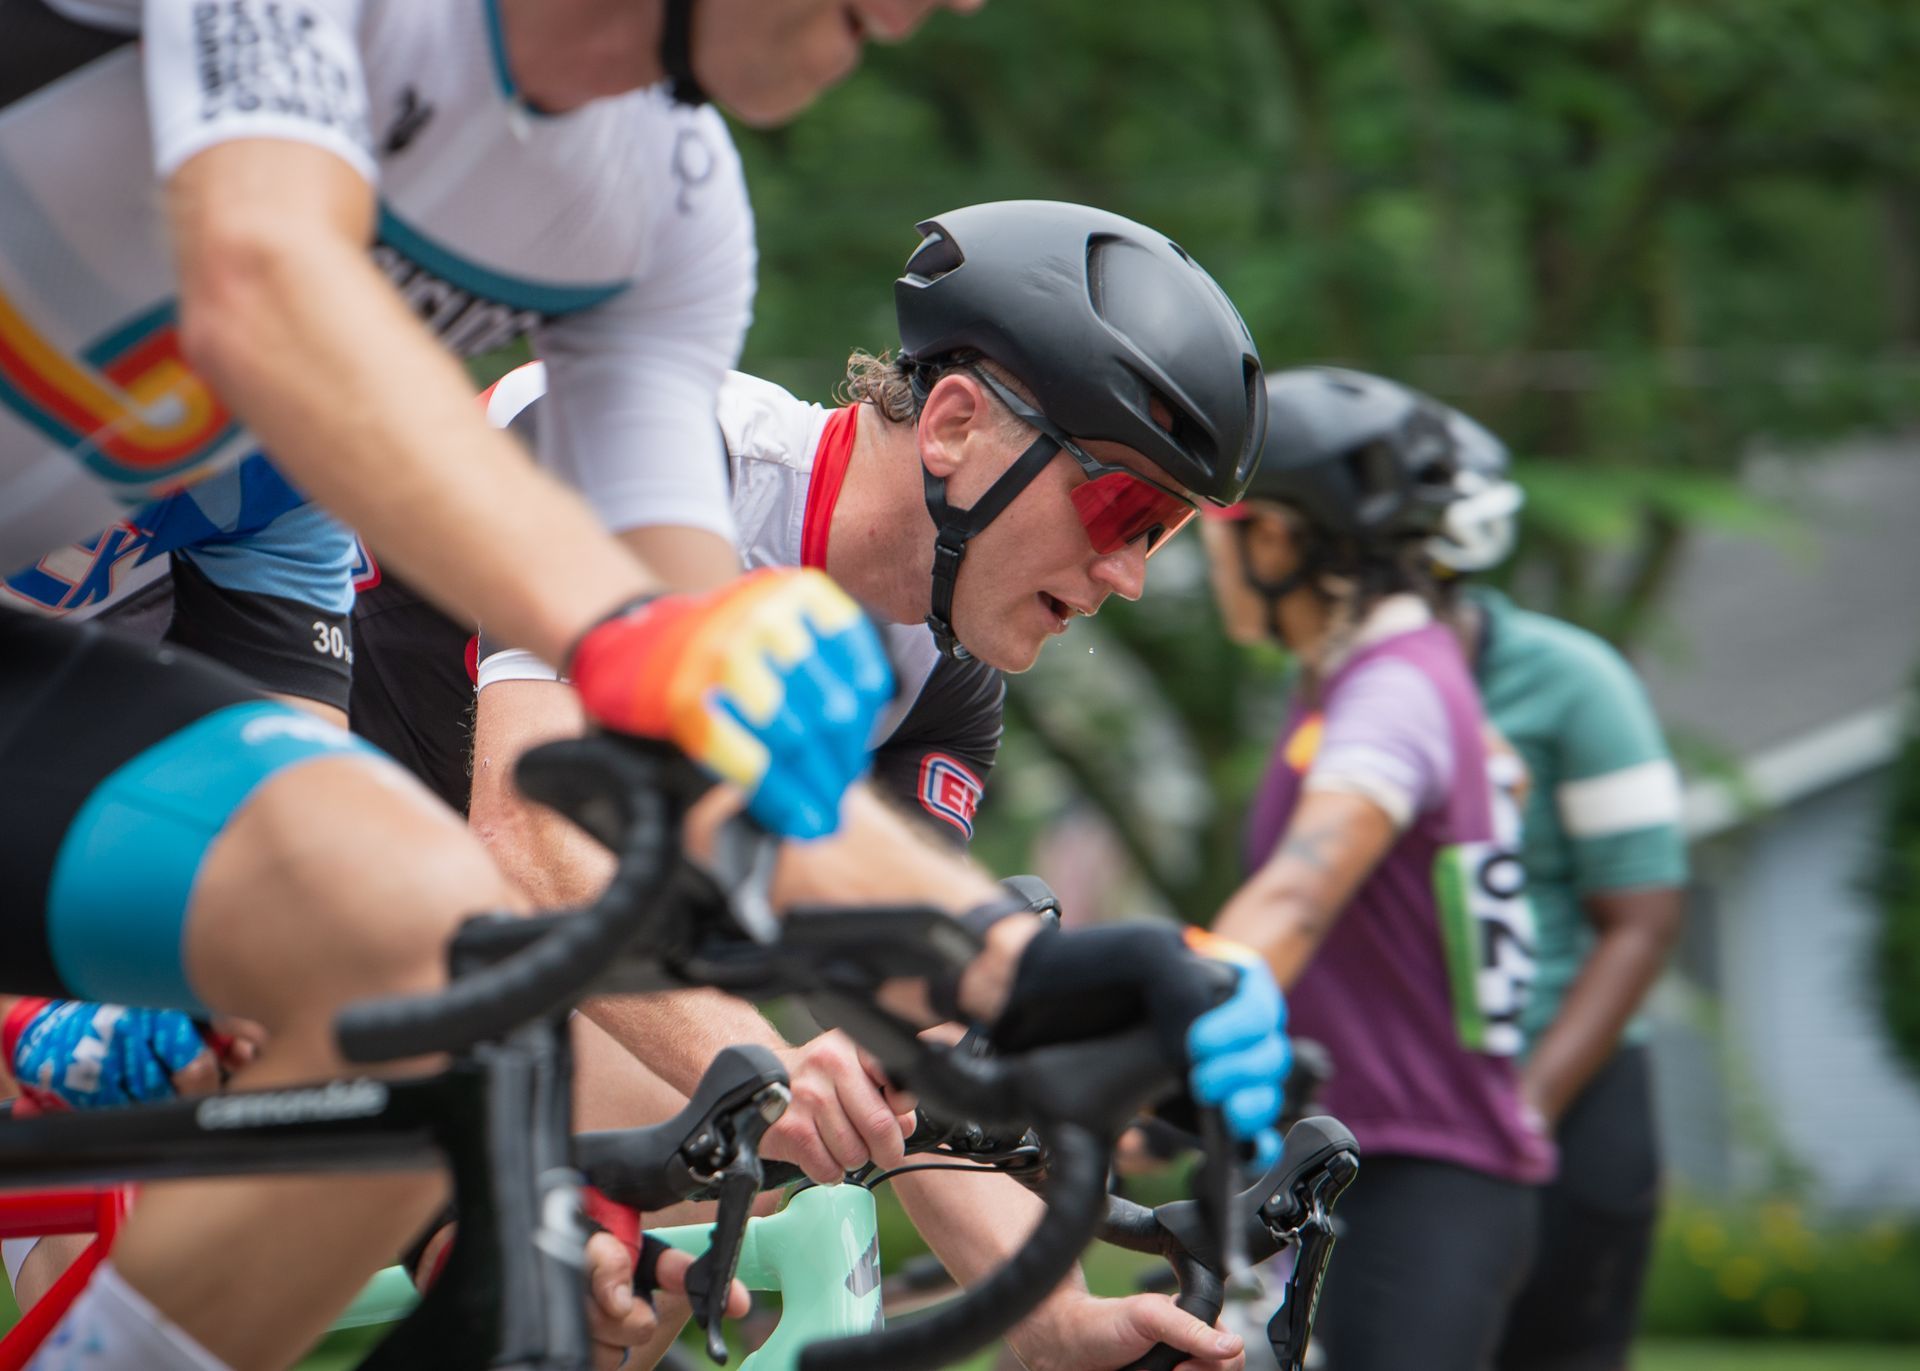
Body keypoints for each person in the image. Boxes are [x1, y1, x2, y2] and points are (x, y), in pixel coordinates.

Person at [0, 5, 1289, 1363]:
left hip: (191, 619)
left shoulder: (677, 210)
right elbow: (260, 277)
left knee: (440, 970)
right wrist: (626, 632)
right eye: (1124, 516)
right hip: (221, 661)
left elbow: (691, 721)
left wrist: (1031, 973)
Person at [349, 199, 1278, 1371]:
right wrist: (760, 1066)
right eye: (1121, 508)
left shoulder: (940, 675)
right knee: (697, 1116)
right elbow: (527, 838)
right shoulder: (666, 456)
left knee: (685, 1196)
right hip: (223, 926)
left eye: (1169, 533)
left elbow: (904, 1025)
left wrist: (1049, 1316)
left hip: (468, 985)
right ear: (953, 424)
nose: (1132, 575)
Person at [1200, 367, 1554, 1371]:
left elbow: (1300, 893)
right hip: (1361, 1158)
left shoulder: (1389, 691)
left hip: (1417, 1177)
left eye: (1214, 527)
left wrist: (1153, 1015)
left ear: (1274, 537)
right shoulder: (1380, 674)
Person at [1393, 385, 1687, 1371]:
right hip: (1408, 1096)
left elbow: (1642, 918)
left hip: (1568, 1088)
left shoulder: (1574, 681)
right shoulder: (1328, 699)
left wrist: (1521, 1105)